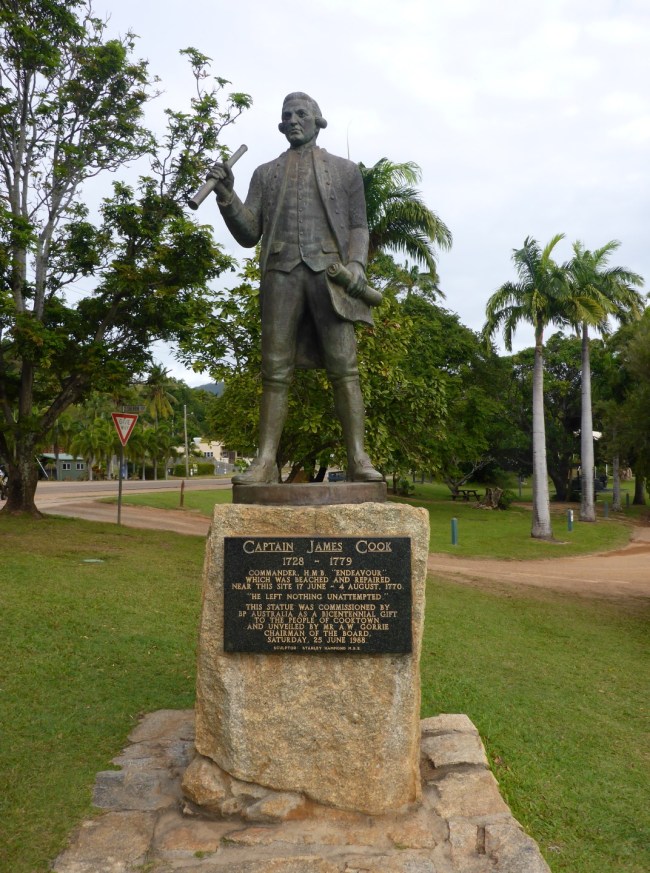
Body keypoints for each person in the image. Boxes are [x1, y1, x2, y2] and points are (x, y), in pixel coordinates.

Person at [208, 92, 382, 485]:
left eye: (302, 114)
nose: (294, 120)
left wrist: (356, 264)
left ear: (319, 121)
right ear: (281, 125)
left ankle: (358, 458)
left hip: (330, 275)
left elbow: (358, 226)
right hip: (281, 274)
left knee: (345, 370)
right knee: (274, 372)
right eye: (287, 115)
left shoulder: (345, 171)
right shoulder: (264, 173)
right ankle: (266, 461)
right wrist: (226, 196)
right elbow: (250, 233)